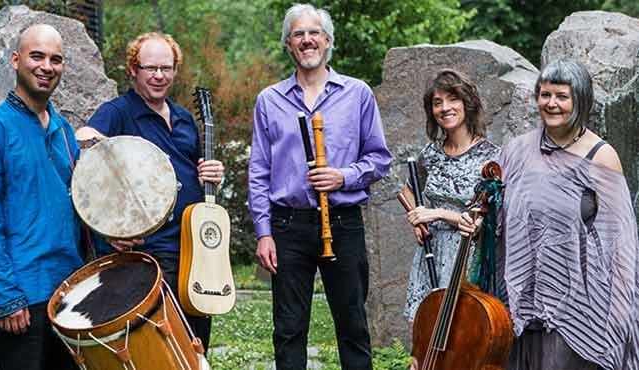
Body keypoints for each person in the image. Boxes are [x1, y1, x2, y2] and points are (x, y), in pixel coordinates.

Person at [460, 59, 639, 370]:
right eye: (545, 95)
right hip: (518, 299)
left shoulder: (601, 156)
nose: (551, 104)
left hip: (577, 306)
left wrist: (621, 312)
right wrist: (475, 222)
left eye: (561, 96)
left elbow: (621, 245)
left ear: (580, 101)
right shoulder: (515, 151)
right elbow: (493, 217)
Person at [248, 4, 392, 369]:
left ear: (327, 41)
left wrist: (342, 176)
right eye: (298, 34)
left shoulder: (357, 93)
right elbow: (259, 171)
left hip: (342, 223)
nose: (307, 40)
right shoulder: (270, 100)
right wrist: (264, 232)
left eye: (314, 33)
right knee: (289, 329)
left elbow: (379, 159)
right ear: (288, 44)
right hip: (287, 225)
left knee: (353, 326)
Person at [76, 32, 224, 351]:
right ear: (133, 69)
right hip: (150, 252)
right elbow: (85, 141)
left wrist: (212, 174)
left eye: (166, 68)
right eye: (150, 68)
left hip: (193, 247)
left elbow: (197, 174)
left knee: (197, 339)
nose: (159, 76)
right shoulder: (118, 112)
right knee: (161, 342)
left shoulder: (184, 118)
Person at [0, 24, 82, 370]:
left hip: (70, 293)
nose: (47, 66)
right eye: (37, 56)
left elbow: (80, 205)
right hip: (23, 298)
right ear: (16, 60)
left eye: (56, 59)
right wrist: (6, 295)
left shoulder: (64, 132)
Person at [403, 69, 500, 324]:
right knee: (426, 335)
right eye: (437, 103)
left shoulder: (490, 157)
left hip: (467, 259)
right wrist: (417, 219)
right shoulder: (430, 153)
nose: (445, 108)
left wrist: (436, 213)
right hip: (430, 255)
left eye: (452, 99)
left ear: (467, 103)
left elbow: (484, 223)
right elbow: (407, 191)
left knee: (463, 336)